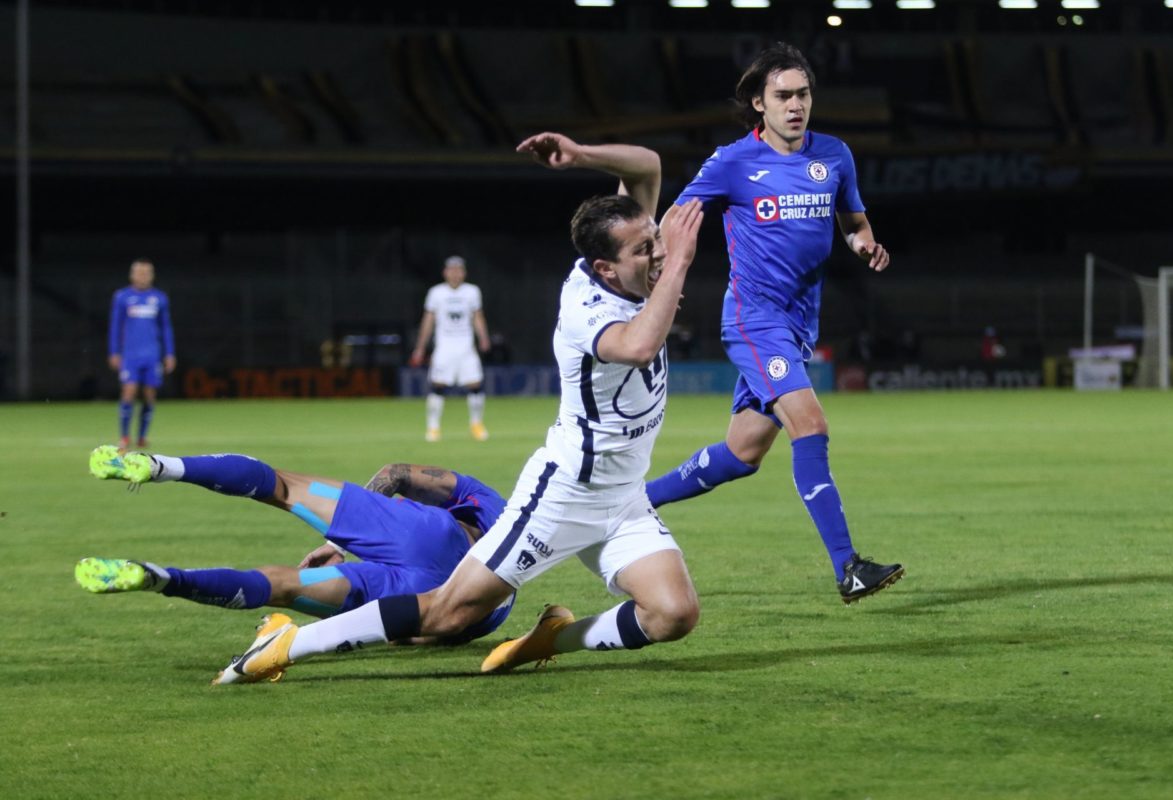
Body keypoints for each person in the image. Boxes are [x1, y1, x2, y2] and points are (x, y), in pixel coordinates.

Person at [213, 133, 705, 685]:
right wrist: (681, 262)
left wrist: (581, 157)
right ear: (605, 268)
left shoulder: (628, 262)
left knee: (673, 614)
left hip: (622, 495)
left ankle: (548, 639)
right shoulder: (587, 310)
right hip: (566, 494)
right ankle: (291, 644)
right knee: (450, 612)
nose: (659, 252)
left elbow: (648, 166)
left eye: (658, 242)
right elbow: (637, 346)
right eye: (646, 250)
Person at [643, 42, 904, 604]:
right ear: (758, 104)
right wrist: (658, 275)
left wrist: (864, 245)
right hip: (754, 320)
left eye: (803, 94)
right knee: (810, 426)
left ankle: (634, 502)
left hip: (797, 326)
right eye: (783, 95)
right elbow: (675, 218)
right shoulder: (733, 162)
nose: (795, 105)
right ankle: (848, 568)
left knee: (742, 455)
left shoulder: (833, 154)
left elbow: (853, 220)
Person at [79, 445, 514, 649]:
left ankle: (161, 467)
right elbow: (423, 634)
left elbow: (396, 473)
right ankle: (161, 579)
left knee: (282, 487)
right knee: (281, 587)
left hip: (431, 535)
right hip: (442, 595)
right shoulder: (499, 611)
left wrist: (335, 541)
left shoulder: (495, 503)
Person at [409, 255, 492, 442]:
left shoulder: (472, 292)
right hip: (444, 347)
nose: (455, 274)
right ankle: (433, 427)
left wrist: (484, 338)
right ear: (445, 272)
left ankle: (476, 424)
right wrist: (420, 347)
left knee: (475, 384)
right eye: (452, 270)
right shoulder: (436, 293)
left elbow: (477, 316)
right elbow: (428, 320)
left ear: (464, 273)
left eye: (459, 270)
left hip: (466, 347)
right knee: (438, 385)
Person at [107, 259, 176, 450]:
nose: (143, 276)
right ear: (132, 275)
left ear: (152, 275)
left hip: (152, 354)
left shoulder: (159, 298)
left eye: (147, 273)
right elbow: (115, 326)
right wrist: (114, 351)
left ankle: (143, 436)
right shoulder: (122, 297)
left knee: (149, 394)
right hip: (130, 355)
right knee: (128, 391)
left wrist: (169, 353)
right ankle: (124, 436)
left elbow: (166, 327)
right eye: (139, 272)